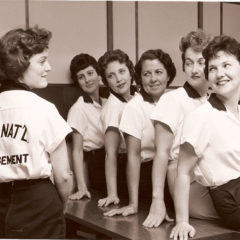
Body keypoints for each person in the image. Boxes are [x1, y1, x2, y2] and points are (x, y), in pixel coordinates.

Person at [0, 26, 73, 239]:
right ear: (19, 64)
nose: (49, 67)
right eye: (42, 61)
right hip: (39, 204)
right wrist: (64, 202)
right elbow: (63, 175)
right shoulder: (44, 108)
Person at [143, 29, 218, 228]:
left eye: (201, 62)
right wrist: (157, 201)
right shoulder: (172, 100)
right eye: (188, 62)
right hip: (185, 181)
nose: (194, 69)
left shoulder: (215, 97)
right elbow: (161, 154)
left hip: (212, 178)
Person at [170, 35, 240, 240]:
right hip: (232, 199)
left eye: (226, 65)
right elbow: (181, 172)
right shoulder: (201, 117)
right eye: (213, 68)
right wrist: (182, 221)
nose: (220, 74)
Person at [103, 49, 176, 217]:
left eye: (159, 72)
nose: (153, 79)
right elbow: (133, 157)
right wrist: (133, 204)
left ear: (168, 75)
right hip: (148, 177)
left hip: (174, 171)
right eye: (146, 74)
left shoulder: (173, 101)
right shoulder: (134, 108)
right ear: (140, 77)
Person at [97, 49, 135, 207]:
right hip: (124, 169)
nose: (119, 79)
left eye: (122, 71)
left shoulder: (136, 98)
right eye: (111, 76)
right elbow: (110, 154)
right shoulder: (113, 107)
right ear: (106, 82)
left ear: (130, 72)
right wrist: (112, 193)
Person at [67, 53, 107, 200]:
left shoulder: (107, 102)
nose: (87, 80)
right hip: (94, 165)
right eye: (81, 77)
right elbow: (77, 152)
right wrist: (81, 186)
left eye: (90, 73)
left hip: (112, 160)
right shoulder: (78, 108)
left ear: (98, 75)